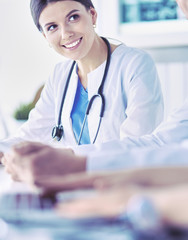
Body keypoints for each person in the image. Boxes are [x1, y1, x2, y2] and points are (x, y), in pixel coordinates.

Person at [1, 0, 163, 149]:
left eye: (73, 17)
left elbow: (138, 144)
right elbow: (31, 134)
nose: (65, 34)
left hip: (120, 177)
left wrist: (74, 160)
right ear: (45, 36)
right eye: (52, 27)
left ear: (92, 15)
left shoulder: (135, 64)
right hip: (70, 176)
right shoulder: (60, 75)